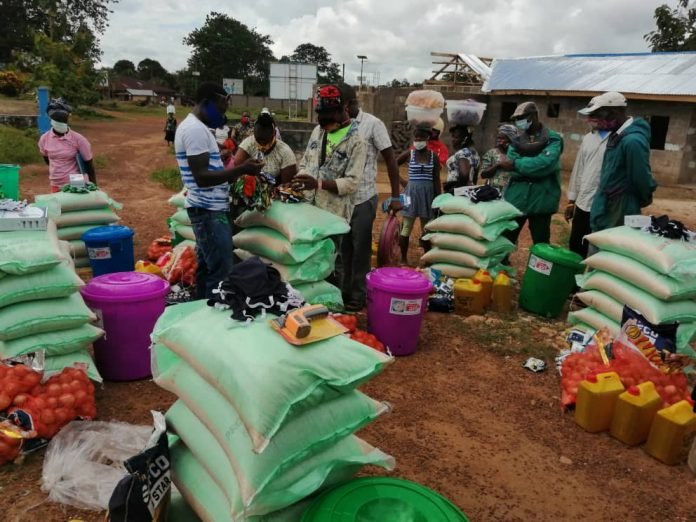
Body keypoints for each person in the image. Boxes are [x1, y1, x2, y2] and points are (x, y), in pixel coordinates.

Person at [174, 82, 263, 299]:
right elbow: (202, 177)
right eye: (222, 107)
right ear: (207, 103)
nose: (223, 113)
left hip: (207, 209)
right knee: (221, 271)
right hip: (208, 212)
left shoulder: (196, 127)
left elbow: (203, 169)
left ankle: (200, 307)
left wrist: (220, 161)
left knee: (207, 268)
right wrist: (241, 169)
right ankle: (213, 311)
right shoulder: (195, 130)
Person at [294, 84, 367, 287]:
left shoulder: (356, 142)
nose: (323, 123)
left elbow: (352, 183)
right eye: (321, 118)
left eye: (327, 118)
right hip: (310, 207)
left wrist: (319, 183)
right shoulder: (318, 132)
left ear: (343, 110)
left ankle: (334, 298)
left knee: (333, 258)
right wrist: (299, 179)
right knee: (310, 254)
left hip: (334, 213)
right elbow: (306, 162)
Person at [342, 89, 403, 311]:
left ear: (350, 103)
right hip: (341, 198)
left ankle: (358, 295)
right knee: (343, 248)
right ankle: (344, 291)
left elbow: (390, 160)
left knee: (360, 248)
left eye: (342, 105)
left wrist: (395, 196)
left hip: (364, 196)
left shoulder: (373, 124)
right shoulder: (339, 126)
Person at [578, 92, 657, 233]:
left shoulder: (632, 141)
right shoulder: (616, 135)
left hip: (619, 208)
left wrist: (631, 201)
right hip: (606, 205)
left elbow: (642, 180)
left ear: (613, 113)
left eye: (597, 115)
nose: (592, 120)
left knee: (609, 243)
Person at [497, 102, 563, 247]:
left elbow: (545, 164)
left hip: (542, 200)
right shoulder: (517, 141)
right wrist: (529, 166)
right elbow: (510, 166)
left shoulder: (553, 139)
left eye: (521, 118)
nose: (519, 122)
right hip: (517, 199)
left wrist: (516, 165)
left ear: (534, 116)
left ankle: (538, 263)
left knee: (541, 244)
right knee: (505, 240)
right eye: (516, 119)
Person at [565, 97, 612, 257]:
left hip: (605, 203)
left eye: (594, 115)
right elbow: (579, 169)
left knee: (598, 248)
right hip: (583, 201)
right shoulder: (588, 138)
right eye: (589, 115)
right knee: (576, 243)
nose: (589, 119)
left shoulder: (619, 139)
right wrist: (572, 200)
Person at [396, 124, 442, 264]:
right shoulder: (409, 154)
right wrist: (403, 182)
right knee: (406, 227)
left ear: (428, 139)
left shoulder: (434, 157)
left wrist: (438, 200)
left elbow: (436, 179)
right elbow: (393, 165)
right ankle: (403, 259)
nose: (418, 140)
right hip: (409, 194)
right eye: (416, 138)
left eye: (421, 138)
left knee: (426, 229)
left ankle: (427, 260)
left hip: (428, 195)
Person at [38, 98, 96, 192]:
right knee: (57, 201)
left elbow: (89, 164)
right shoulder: (44, 139)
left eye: (63, 119)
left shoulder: (78, 139)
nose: (61, 122)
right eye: (57, 119)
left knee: (75, 200)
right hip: (56, 182)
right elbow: (47, 159)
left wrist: (94, 186)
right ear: (50, 119)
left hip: (76, 180)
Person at [234, 112, 297, 183]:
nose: (262, 144)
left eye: (266, 141)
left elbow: (287, 184)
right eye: (259, 140)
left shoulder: (285, 152)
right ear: (254, 133)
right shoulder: (247, 145)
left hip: (275, 188)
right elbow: (237, 171)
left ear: (274, 133)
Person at [479, 123, 519, 195]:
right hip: (493, 193)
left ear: (511, 139)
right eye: (498, 138)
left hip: (512, 192)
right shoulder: (492, 153)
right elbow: (483, 174)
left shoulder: (518, 154)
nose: (499, 141)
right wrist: (498, 165)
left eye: (503, 138)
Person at [444, 125, 480, 192]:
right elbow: (475, 176)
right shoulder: (474, 153)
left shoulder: (462, 153)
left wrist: (455, 189)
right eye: (452, 136)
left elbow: (464, 174)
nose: (452, 140)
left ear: (464, 139)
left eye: (455, 137)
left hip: (458, 192)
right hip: (470, 191)